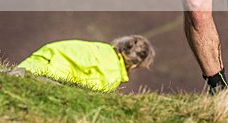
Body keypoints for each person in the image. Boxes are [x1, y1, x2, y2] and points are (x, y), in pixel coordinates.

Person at [17, 35, 155, 91]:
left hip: (37, 60)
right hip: (47, 75)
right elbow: (86, 89)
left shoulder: (98, 47)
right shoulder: (112, 77)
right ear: (134, 65)